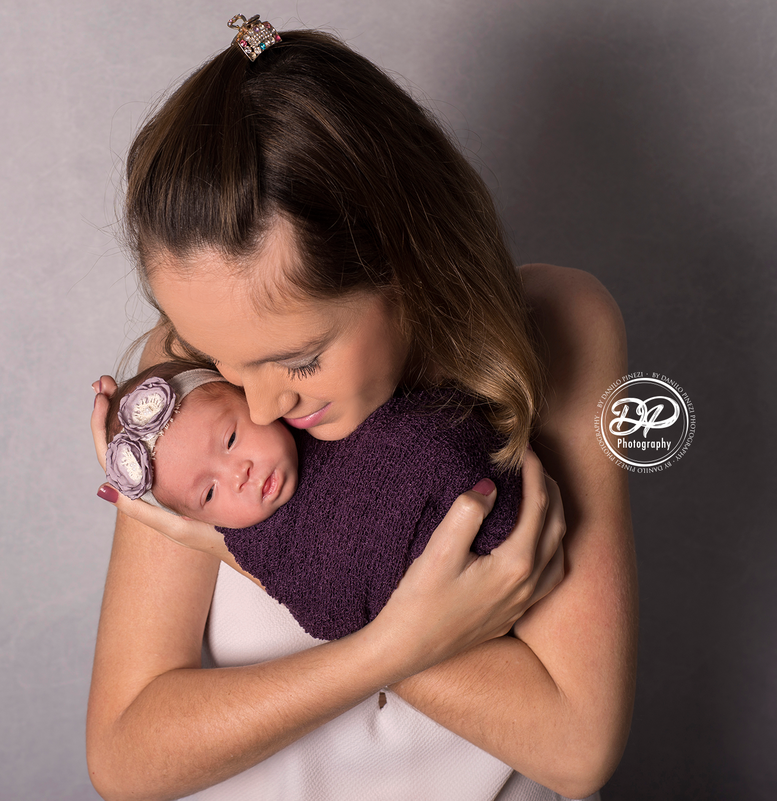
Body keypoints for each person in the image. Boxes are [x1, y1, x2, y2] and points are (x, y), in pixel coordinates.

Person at [86, 21, 636, 801]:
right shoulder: (185, 387)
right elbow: (124, 757)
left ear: (408, 260)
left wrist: (244, 550)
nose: (262, 403)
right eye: (226, 360)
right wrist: (386, 641)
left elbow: (576, 749)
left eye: (299, 358)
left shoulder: (563, 327)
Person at [99, 359, 522, 640]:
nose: (238, 474)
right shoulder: (265, 550)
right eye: (209, 493)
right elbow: (332, 613)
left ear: (251, 399)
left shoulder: (326, 414)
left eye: (230, 439)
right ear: (198, 520)